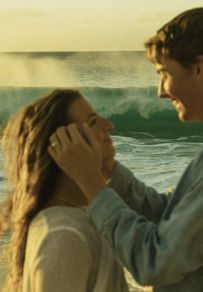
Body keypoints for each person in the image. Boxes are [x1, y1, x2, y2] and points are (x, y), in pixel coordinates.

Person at [48, 7, 203, 292]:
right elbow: (171, 216)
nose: (160, 91)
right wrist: (108, 171)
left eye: (164, 73)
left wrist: (91, 184)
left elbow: (155, 262)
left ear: (199, 67)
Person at [0, 89, 130, 292]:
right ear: (64, 144)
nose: (109, 125)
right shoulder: (63, 235)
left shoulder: (74, 219)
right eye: (93, 122)